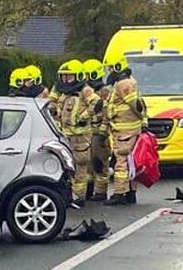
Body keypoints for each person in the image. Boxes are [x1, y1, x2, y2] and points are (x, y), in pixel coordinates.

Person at [54, 60, 99, 207]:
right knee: (68, 166)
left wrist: (83, 117)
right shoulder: (64, 92)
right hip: (66, 135)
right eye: (64, 77)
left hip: (81, 136)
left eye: (69, 77)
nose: (66, 80)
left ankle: (79, 198)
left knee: (80, 166)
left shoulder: (85, 90)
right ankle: (70, 196)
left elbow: (97, 103)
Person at [103, 60, 147, 204]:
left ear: (117, 66)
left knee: (121, 162)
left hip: (124, 129)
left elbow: (136, 105)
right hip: (129, 128)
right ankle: (130, 193)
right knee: (131, 162)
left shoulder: (123, 84)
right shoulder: (130, 81)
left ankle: (120, 194)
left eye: (111, 67)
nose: (110, 71)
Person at [81, 60, 111, 200]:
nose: (87, 79)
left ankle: (100, 192)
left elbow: (107, 113)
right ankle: (89, 190)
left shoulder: (105, 91)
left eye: (89, 75)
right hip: (88, 132)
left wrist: (103, 133)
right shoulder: (85, 92)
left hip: (99, 133)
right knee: (88, 164)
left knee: (100, 163)